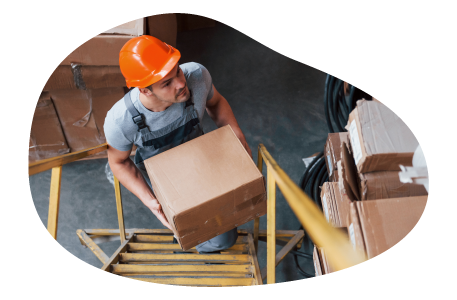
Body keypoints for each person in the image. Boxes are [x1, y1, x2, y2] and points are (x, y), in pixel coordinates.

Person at [103, 35, 252, 253]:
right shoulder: (120, 121)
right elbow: (118, 163)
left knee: (235, 211)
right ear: (144, 90)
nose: (182, 84)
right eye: (167, 83)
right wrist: (151, 201)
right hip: (165, 176)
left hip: (200, 154)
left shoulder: (197, 76)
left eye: (178, 71)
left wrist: (235, 132)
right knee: (219, 239)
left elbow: (216, 102)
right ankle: (196, 242)